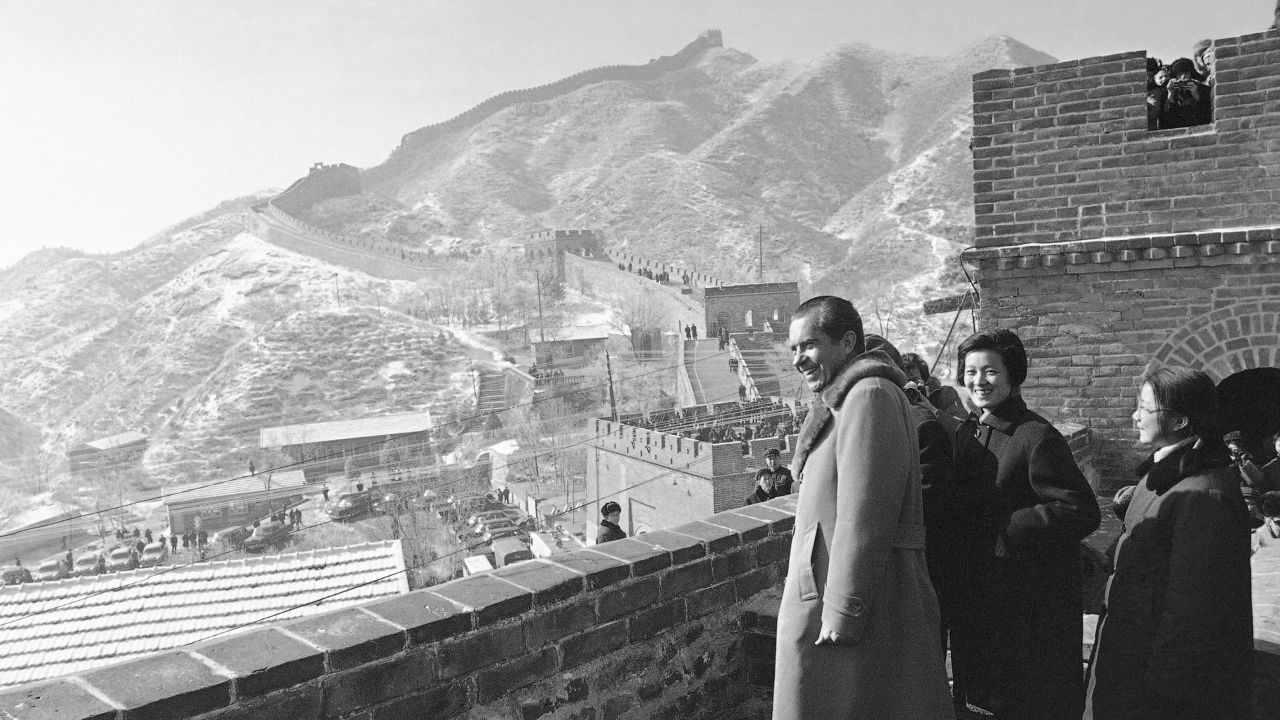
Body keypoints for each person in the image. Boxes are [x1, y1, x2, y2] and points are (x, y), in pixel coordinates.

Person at [772, 296, 951, 720]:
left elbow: (865, 515)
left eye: (809, 345)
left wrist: (843, 608)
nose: (799, 358)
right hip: (835, 592)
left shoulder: (868, 395)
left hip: (867, 599)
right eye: (793, 348)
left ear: (847, 341)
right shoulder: (844, 401)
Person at [1084, 367, 1253, 720]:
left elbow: (1193, 610)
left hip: (1154, 686)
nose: (1135, 417)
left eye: (1144, 409)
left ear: (1178, 421)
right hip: (1125, 658)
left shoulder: (1205, 493)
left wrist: (1162, 697)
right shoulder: (1164, 475)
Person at [951, 328, 1101, 719]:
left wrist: (1007, 526)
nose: (978, 381)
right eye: (970, 372)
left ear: (1013, 375)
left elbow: (1080, 509)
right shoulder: (972, 432)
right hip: (982, 598)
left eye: (990, 372)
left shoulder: (1035, 436)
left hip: (1029, 607)